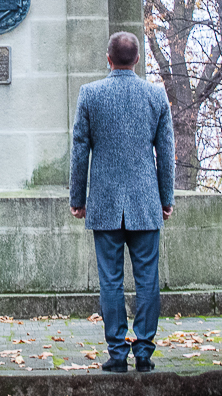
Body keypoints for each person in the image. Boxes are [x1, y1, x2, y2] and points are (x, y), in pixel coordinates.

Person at [69, 31, 176, 372]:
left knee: (110, 281)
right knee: (147, 279)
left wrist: (78, 198)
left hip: (104, 201)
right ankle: (143, 352)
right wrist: (166, 197)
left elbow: (79, 152)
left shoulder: (90, 94)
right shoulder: (155, 95)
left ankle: (117, 352)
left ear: (108, 57)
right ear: (138, 59)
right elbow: (167, 153)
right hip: (146, 201)